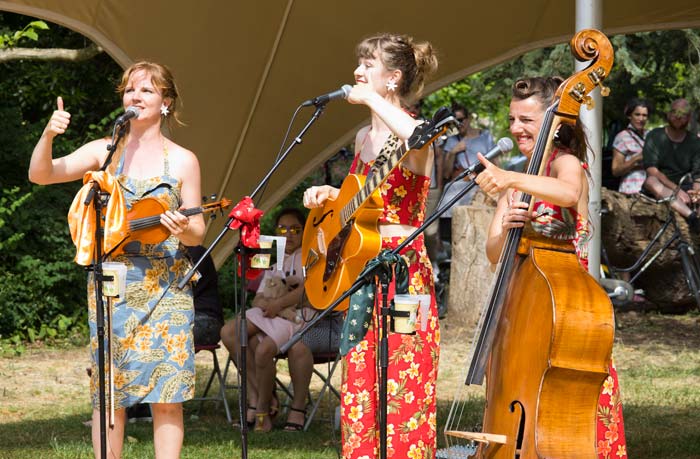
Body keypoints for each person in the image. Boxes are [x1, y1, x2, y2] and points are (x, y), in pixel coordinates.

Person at [28, 61, 203, 459]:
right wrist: (48, 134)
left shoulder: (182, 160)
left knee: (168, 394)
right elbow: (42, 174)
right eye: (130, 91)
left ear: (166, 103)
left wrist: (180, 227)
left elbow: (198, 232)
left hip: (166, 287)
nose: (135, 97)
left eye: (146, 90)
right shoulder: (104, 151)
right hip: (112, 287)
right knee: (110, 394)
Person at [302, 33, 439, 458]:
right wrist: (327, 194)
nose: (358, 72)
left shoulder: (413, 134)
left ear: (393, 78)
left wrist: (374, 102)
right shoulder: (363, 138)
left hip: (404, 273)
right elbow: (357, 202)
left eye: (368, 64)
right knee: (361, 383)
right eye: (358, 62)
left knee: (405, 381)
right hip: (363, 273)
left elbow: (417, 134)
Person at [475, 76, 628, 459]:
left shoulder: (564, 162)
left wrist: (510, 177)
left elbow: (568, 193)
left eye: (526, 120)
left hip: (561, 300)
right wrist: (508, 220)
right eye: (512, 119)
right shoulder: (517, 177)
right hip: (520, 299)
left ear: (552, 121)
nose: (515, 128)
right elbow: (494, 252)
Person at [220, 208, 323, 432]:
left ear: (304, 230)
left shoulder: (312, 254)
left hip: (296, 315)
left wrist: (278, 303)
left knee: (263, 349)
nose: (289, 234)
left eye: (295, 229)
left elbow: (308, 292)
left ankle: (261, 411)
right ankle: (259, 394)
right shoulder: (275, 256)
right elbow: (259, 295)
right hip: (270, 311)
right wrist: (263, 303)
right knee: (229, 332)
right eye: (283, 229)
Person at [642, 98, 700, 230]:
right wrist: (677, 190)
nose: (678, 116)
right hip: (660, 188)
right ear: (668, 114)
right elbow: (652, 170)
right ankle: (691, 217)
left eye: (683, 113)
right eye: (674, 112)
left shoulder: (695, 142)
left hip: (685, 188)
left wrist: (697, 193)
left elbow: (698, 176)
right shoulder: (655, 136)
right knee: (651, 180)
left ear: (689, 118)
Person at [611, 98, 650, 194]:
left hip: (651, 190)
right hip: (631, 191)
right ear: (629, 115)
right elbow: (615, 170)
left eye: (644, 115)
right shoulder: (622, 137)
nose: (641, 119)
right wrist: (636, 159)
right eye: (637, 114)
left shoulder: (651, 135)